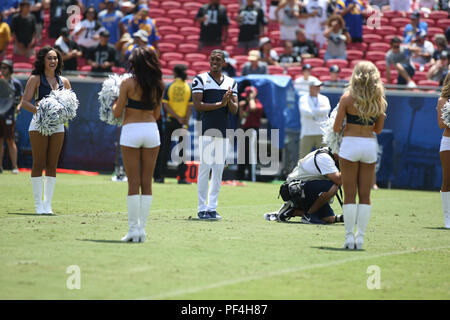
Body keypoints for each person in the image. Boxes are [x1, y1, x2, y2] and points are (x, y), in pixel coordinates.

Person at [111, 46, 164, 242]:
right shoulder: (159, 84)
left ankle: (133, 229)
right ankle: (142, 230)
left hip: (131, 131)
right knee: (147, 182)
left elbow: (117, 112)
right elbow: (157, 114)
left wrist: (115, 102)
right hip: (151, 131)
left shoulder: (127, 82)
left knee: (133, 183)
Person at [333, 61, 387, 250]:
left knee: (349, 194)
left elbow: (336, 127)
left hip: (350, 144)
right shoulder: (379, 99)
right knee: (365, 195)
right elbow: (378, 130)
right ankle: (360, 238)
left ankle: (349, 238)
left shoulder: (347, 98)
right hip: (369, 145)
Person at [18, 46, 72, 214]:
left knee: (52, 164)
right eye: (49, 58)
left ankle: (47, 204)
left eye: (55, 58)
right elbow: (25, 102)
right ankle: (37, 204)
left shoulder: (64, 81)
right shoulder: (35, 79)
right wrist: (41, 111)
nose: (52, 61)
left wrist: (64, 113)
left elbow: (70, 105)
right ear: (43, 60)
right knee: (38, 162)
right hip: (39, 124)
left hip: (57, 126)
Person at [192, 49, 238, 220]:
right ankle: (201, 208)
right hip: (207, 130)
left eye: (218, 59)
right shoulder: (200, 79)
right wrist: (221, 103)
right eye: (212, 59)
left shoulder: (231, 82)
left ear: (224, 62)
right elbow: (198, 105)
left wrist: (228, 101)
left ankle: (212, 208)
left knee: (218, 170)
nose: (215, 62)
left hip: (223, 131)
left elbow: (235, 110)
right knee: (204, 168)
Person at [271, 147, 344, 224]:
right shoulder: (324, 157)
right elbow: (338, 180)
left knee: (329, 219)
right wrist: (352, 167)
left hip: (305, 189)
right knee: (333, 187)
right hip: (295, 191)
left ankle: (292, 211)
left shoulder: (330, 155)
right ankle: (308, 215)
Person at [158, 64, 193, 185]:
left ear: (174, 73)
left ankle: (160, 176)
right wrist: (185, 121)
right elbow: (190, 107)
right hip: (183, 122)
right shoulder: (188, 87)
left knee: (165, 148)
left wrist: (176, 117)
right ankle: (182, 177)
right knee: (182, 150)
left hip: (171, 121)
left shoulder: (170, 86)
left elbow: (165, 105)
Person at [0, 60, 23, 174]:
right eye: (2, 67)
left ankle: (14, 166)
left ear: (10, 69)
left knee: (10, 140)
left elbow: (21, 98)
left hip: (9, 115)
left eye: (5, 67)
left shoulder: (16, 83)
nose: (3, 69)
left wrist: (19, 106)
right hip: (0, 115)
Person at [299, 79, 330, 159]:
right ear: (310, 88)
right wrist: (319, 110)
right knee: (303, 158)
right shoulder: (303, 99)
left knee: (324, 158)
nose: (318, 88)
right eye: (316, 87)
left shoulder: (324, 98)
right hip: (307, 132)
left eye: (319, 87)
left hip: (321, 132)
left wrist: (312, 110)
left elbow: (326, 110)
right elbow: (305, 112)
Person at [237, 85, 264, 181]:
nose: (246, 97)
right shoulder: (247, 104)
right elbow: (242, 117)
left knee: (250, 155)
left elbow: (253, 108)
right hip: (244, 130)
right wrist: (240, 107)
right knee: (242, 155)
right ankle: (239, 177)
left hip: (253, 130)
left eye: (248, 95)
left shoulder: (257, 103)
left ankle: (251, 178)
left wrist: (252, 98)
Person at [436, 73, 450, 229]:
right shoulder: (442, 100)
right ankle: (448, 218)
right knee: (447, 181)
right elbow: (441, 124)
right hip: (448, 142)